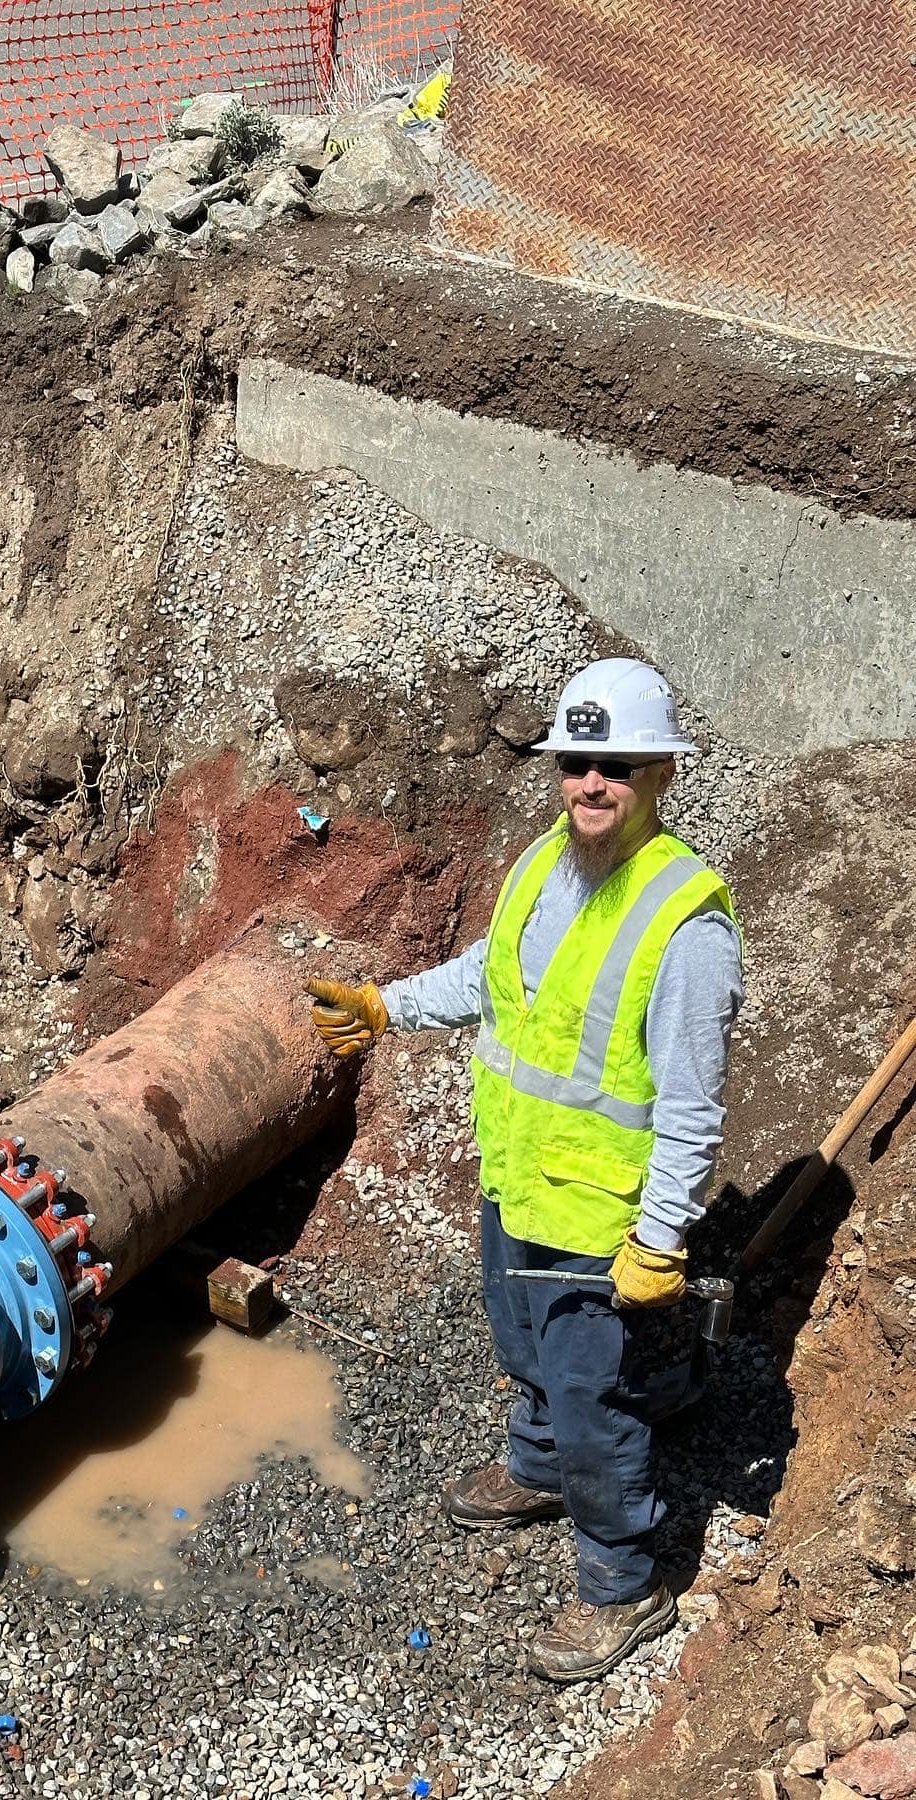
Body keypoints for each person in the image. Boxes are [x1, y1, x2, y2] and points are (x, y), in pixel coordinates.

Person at [304, 657, 743, 1683]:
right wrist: (385, 1007)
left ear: (660, 774)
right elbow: (494, 983)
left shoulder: (687, 927)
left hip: (601, 1222)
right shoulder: (548, 861)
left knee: (598, 1402)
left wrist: (662, 1236)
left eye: (616, 767)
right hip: (518, 1180)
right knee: (523, 1347)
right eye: (576, 763)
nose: (591, 786)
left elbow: (690, 1108)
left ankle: (624, 1584)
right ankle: (539, 1471)